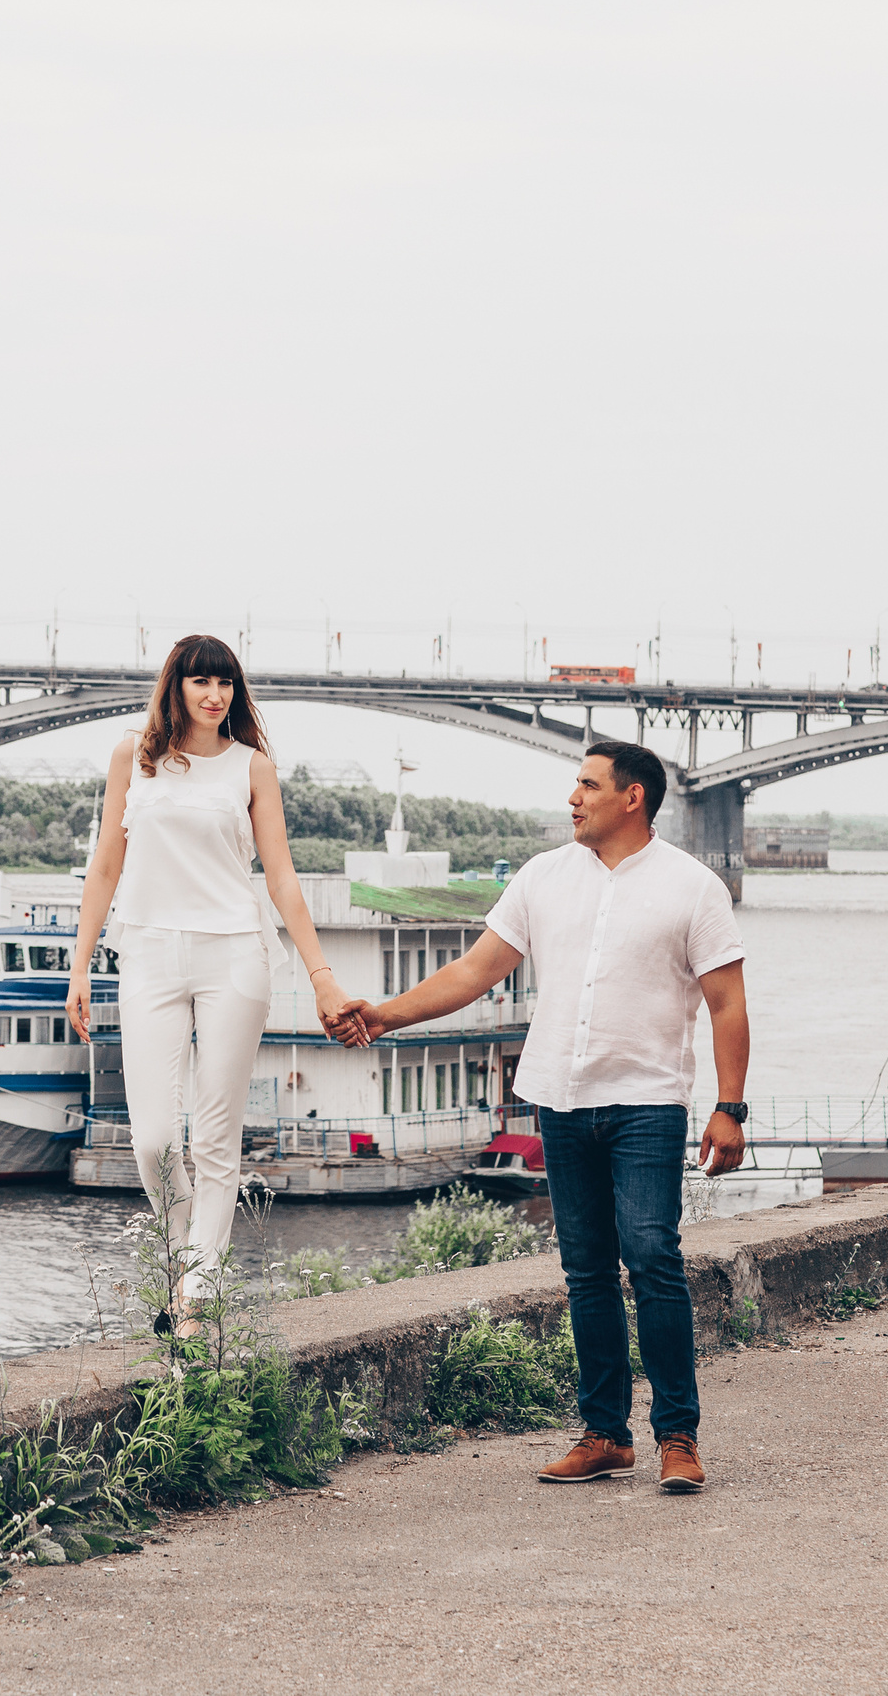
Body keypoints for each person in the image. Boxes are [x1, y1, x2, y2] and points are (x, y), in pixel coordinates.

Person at [325, 740, 749, 1493]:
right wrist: (385, 1015)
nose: (573, 797)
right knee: (585, 1271)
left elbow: (727, 1003)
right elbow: (474, 970)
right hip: (558, 1095)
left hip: (647, 1100)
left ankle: (677, 1438)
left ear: (633, 798)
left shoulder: (693, 888)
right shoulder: (542, 877)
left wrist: (729, 1106)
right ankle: (604, 1435)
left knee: (652, 1258)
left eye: (588, 785)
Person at [68, 636, 353, 1330]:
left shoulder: (253, 767)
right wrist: (79, 964)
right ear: (177, 686)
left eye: (225, 682)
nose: (215, 695)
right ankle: (182, 1263)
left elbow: (280, 877)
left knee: (216, 1140)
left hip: (233, 952)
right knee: (154, 1141)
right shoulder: (132, 755)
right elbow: (106, 862)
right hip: (149, 951)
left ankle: (196, 1297)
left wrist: (321, 975)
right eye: (201, 682)